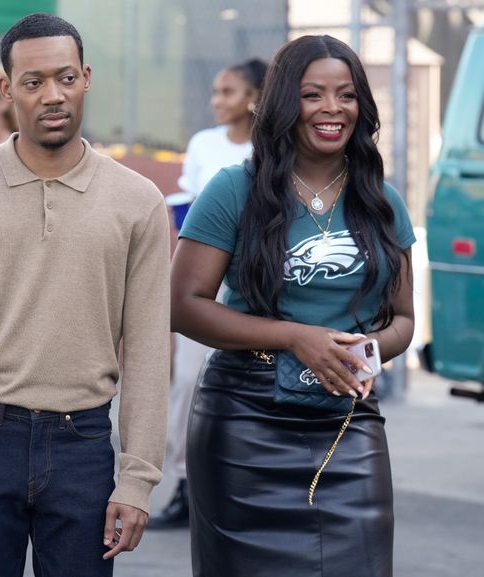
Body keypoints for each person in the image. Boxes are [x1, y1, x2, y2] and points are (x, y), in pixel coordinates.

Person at [0, 12, 171, 577]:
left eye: (66, 77)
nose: (53, 95)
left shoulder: (138, 199)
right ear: (7, 90)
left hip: (85, 443)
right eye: (33, 82)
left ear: (86, 77)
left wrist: (138, 477)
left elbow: (150, 347)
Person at [171, 35, 415, 577]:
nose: (333, 109)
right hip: (244, 423)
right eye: (313, 94)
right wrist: (293, 336)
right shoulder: (235, 188)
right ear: (285, 102)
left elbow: (404, 321)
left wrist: (365, 352)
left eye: (347, 95)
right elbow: (183, 305)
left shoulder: (381, 198)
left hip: (348, 422)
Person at [150, 58, 268, 530]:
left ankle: (246, 487)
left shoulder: (272, 148)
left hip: (257, 282)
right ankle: (184, 484)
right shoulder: (203, 144)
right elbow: (188, 207)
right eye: (216, 91)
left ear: (255, 98)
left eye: (228, 92)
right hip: (205, 281)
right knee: (187, 383)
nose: (217, 101)